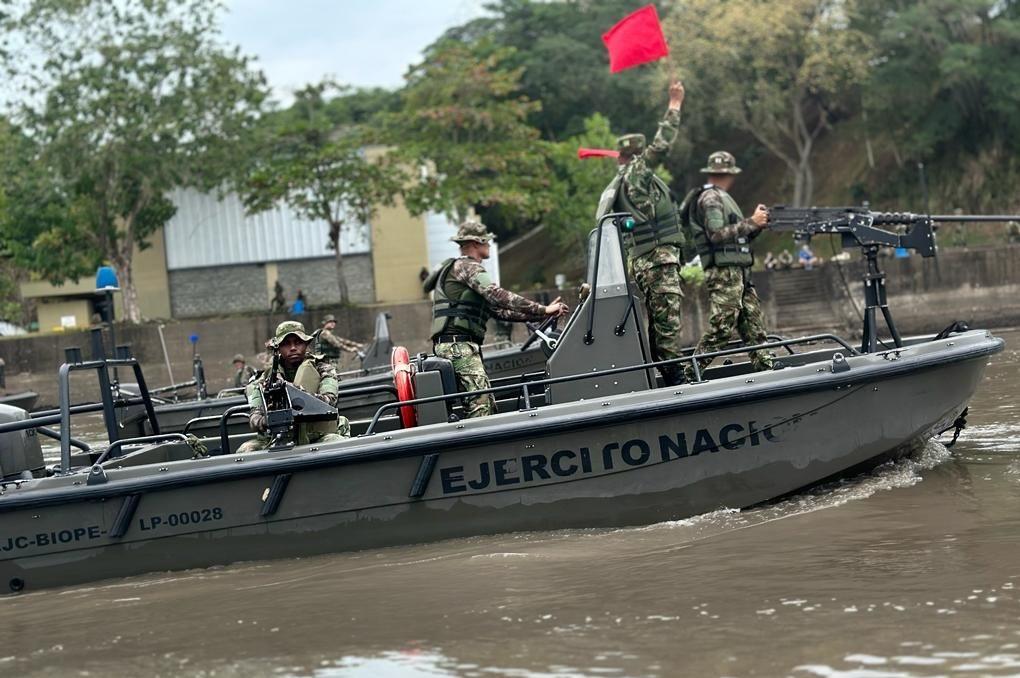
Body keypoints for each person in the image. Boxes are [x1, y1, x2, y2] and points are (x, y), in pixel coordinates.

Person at [425, 220, 568, 418]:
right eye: (487, 242)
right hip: (458, 347)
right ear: (476, 243)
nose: (489, 245)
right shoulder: (468, 267)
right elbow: (497, 295)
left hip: (459, 346)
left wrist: (544, 313)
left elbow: (500, 312)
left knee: (488, 404)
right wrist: (543, 308)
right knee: (480, 406)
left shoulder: (462, 269)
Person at [595, 79, 687, 386]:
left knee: (660, 323)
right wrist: (674, 105)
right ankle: (675, 380)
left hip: (646, 260)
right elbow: (661, 145)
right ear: (635, 155)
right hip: (658, 259)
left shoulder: (622, 182)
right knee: (667, 324)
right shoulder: (637, 173)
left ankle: (670, 373)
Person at [685, 151, 774, 381]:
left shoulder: (721, 197)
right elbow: (716, 235)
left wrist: (754, 228)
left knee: (754, 327)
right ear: (728, 175)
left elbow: (737, 238)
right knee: (721, 329)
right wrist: (751, 222)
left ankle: (767, 370)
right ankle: (688, 375)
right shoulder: (711, 199)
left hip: (740, 273)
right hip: (725, 274)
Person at [237, 321, 350, 453]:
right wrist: (261, 419)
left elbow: (330, 400)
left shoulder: (323, 369)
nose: (293, 348)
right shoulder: (267, 377)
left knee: (337, 443)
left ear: (306, 345)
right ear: (278, 348)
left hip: (316, 436)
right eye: (286, 344)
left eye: (298, 342)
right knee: (244, 451)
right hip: (278, 439)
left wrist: (295, 392)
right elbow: (255, 413)